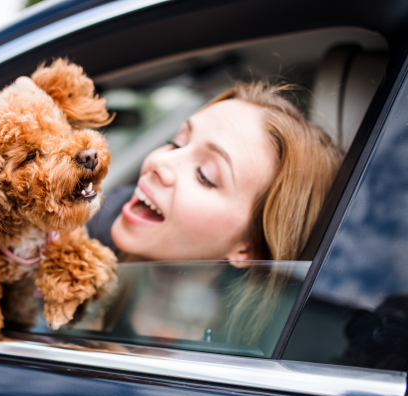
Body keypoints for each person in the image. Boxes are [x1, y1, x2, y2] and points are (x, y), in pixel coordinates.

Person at [86, 81, 343, 347]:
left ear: (248, 250)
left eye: (205, 176)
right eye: (175, 143)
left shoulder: (247, 353)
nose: (159, 162)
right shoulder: (84, 233)